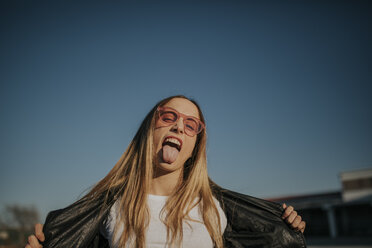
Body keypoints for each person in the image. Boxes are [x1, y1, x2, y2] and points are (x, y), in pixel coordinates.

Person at [26, 95, 306, 248]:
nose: (178, 127)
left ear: (195, 144)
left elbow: (276, 242)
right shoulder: (110, 208)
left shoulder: (216, 209)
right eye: (168, 116)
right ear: (150, 129)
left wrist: (286, 228)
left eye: (191, 124)